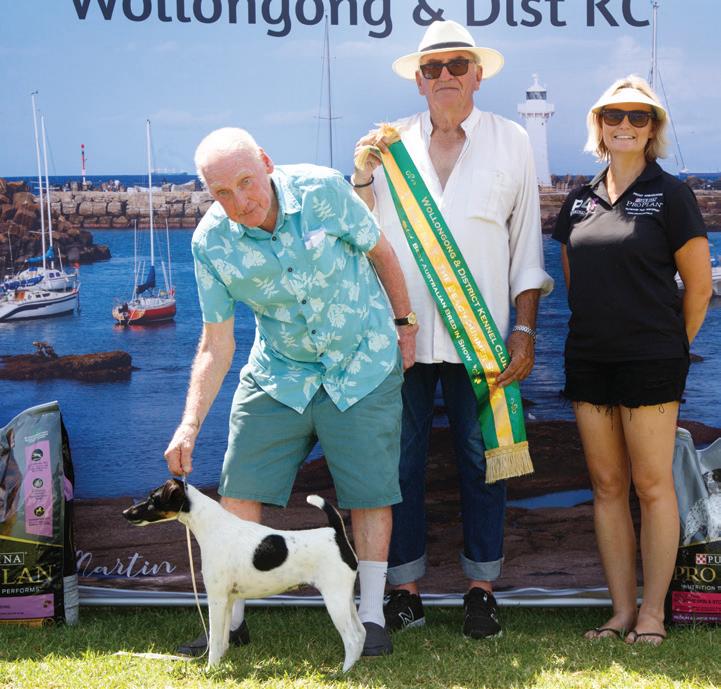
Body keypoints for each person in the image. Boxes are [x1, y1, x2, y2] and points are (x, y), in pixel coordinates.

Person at [165, 127, 418, 657]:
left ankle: (371, 617)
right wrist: (189, 424)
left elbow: (381, 252)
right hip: (280, 372)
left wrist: (404, 326)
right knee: (239, 484)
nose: (240, 202)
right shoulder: (210, 244)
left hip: (362, 362)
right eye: (222, 192)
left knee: (370, 493)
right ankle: (232, 623)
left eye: (246, 182)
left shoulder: (323, 189)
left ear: (266, 162)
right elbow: (216, 343)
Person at [352, 19, 553, 639]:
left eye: (457, 65)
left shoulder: (513, 140)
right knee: (400, 463)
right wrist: (360, 177)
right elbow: (361, 236)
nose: (445, 76)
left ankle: (481, 590)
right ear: (419, 81)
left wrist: (525, 330)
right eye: (432, 68)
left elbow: (526, 245)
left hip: (483, 337)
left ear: (477, 75)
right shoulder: (386, 147)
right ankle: (405, 592)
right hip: (403, 337)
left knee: (484, 459)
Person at [552, 75, 712, 645]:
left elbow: (699, 288)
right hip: (589, 359)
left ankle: (652, 615)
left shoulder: (671, 194)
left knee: (651, 484)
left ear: (652, 129)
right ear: (598, 125)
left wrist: (670, 348)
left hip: (652, 361)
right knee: (606, 485)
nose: (624, 125)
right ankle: (620, 612)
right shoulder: (579, 200)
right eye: (613, 115)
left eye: (637, 116)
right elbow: (575, 282)